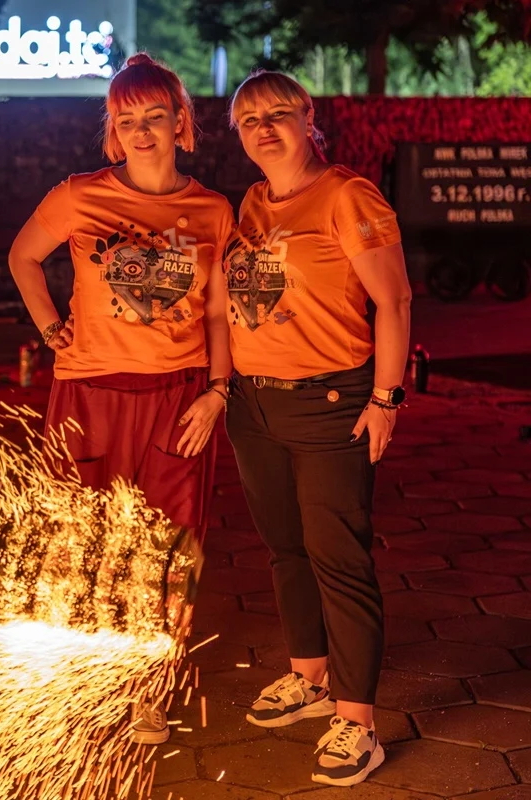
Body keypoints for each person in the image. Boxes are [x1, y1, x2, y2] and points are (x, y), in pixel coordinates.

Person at [7, 53, 234, 744]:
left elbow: (218, 313)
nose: (140, 131)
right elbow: (23, 256)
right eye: (126, 119)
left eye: (154, 116)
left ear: (180, 121)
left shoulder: (212, 211)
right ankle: (78, 685)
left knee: (166, 548)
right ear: (113, 128)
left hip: (177, 396)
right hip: (88, 394)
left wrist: (218, 391)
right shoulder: (79, 195)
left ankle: (146, 692)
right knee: (79, 539)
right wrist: (50, 327)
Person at [223, 71, 411, 787]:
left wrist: (387, 399)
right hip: (254, 405)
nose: (263, 128)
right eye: (248, 120)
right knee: (286, 550)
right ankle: (309, 677)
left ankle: (359, 721)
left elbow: (394, 300)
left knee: (339, 557)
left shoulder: (347, 195)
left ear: (308, 118)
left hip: (331, 401)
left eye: (278, 113)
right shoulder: (253, 202)